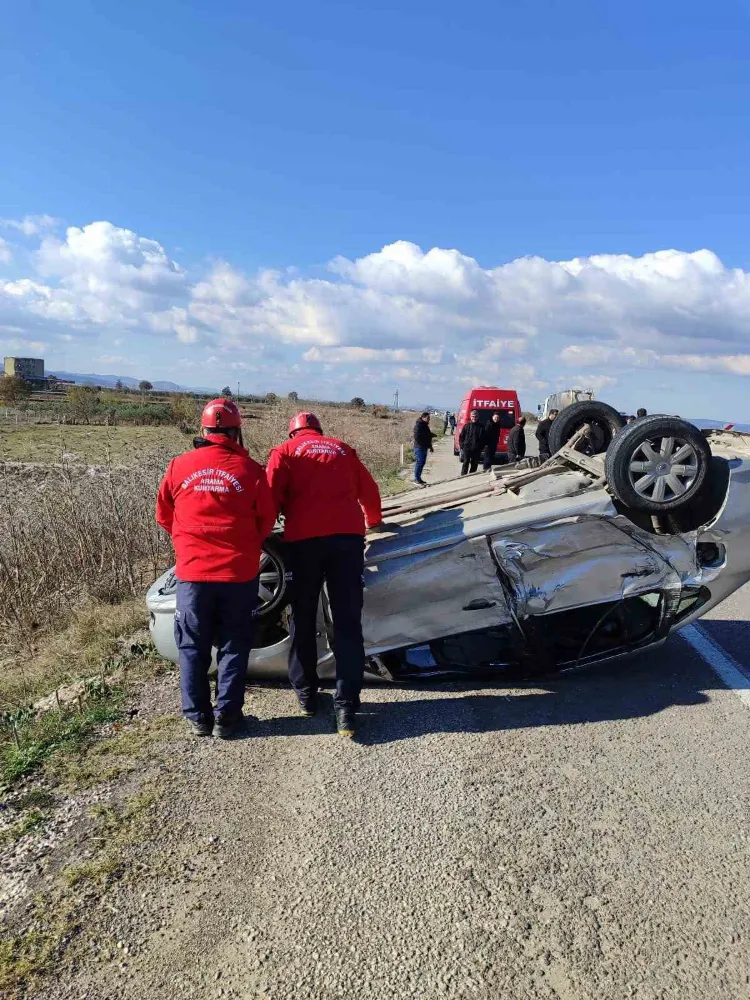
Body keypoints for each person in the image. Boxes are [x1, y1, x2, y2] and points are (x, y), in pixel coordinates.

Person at [156, 398, 276, 739]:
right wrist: (245, 544)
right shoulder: (251, 471)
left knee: (192, 646)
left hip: (193, 574)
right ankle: (228, 718)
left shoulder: (179, 466)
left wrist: (189, 541)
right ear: (237, 431)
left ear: (203, 431)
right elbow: (265, 520)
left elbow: (164, 514)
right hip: (238, 574)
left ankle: (198, 718)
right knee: (234, 645)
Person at [266, 412, 382, 737]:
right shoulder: (344, 450)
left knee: (302, 617)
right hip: (346, 541)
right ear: (319, 431)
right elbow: (369, 492)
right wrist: (373, 521)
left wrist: (263, 534)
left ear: (293, 434)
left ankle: (306, 697)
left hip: (303, 544)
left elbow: (270, 499)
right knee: (347, 621)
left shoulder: (284, 453)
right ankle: (346, 706)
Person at [413, 411, 436, 487]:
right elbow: (417, 437)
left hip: (424, 447)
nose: (429, 419)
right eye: (428, 418)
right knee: (419, 463)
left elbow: (427, 435)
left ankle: (419, 479)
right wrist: (423, 443)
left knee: (422, 463)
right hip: (419, 447)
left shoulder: (425, 425)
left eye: (429, 418)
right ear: (423, 417)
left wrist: (432, 436)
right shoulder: (418, 425)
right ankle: (416, 479)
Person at [459, 409, 485, 475]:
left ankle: (471, 477)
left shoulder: (481, 427)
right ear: (470, 417)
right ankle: (463, 477)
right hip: (467, 448)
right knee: (465, 463)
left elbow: (483, 439)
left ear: (478, 417)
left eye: (475, 416)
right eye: (473, 416)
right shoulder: (466, 426)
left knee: (474, 464)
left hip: (476, 449)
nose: (474, 418)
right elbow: (461, 437)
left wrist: (480, 448)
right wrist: (462, 446)